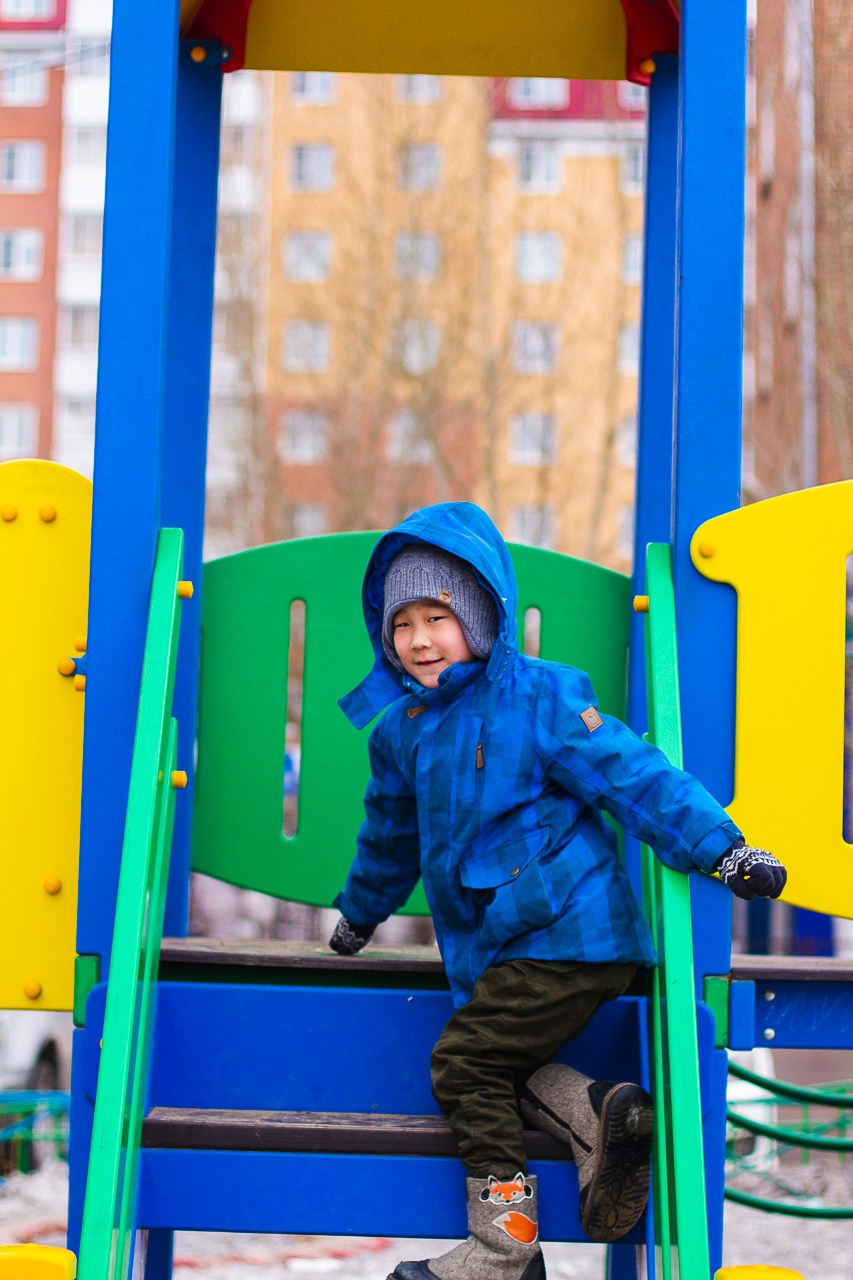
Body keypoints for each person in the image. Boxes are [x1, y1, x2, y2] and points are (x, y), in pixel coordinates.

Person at [330, 501, 786, 1280]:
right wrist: (359, 916)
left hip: (572, 933)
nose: (417, 639)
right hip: (501, 955)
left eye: (436, 615)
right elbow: (388, 837)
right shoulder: (400, 732)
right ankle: (598, 1114)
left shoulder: (538, 698)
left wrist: (724, 850)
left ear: (478, 614)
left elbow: (631, 776)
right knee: (495, 1062)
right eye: (400, 624)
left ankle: (503, 1249)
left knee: (465, 1065)